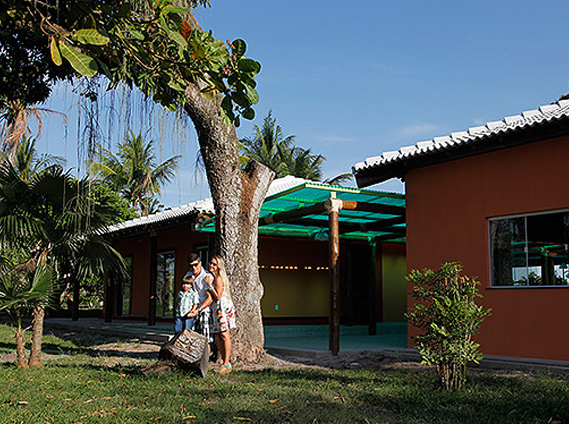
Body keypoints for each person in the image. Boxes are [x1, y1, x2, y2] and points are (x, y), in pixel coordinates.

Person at [207, 255, 236, 374]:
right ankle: (225, 361)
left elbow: (218, 295)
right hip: (217, 308)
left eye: (214, 264)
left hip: (222, 307)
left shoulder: (218, 278)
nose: (212, 266)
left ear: (219, 266)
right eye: (211, 263)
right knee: (217, 335)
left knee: (224, 334)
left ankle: (226, 363)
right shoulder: (214, 278)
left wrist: (209, 285)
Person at [186, 253, 214, 344]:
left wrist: (198, 310)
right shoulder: (189, 275)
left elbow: (210, 298)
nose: (194, 268)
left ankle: (206, 357)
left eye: (196, 265)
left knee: (205, 339)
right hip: (192, 309)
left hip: (204, 310)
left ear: (200, 263)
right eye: (191, 266)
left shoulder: (207, 277)